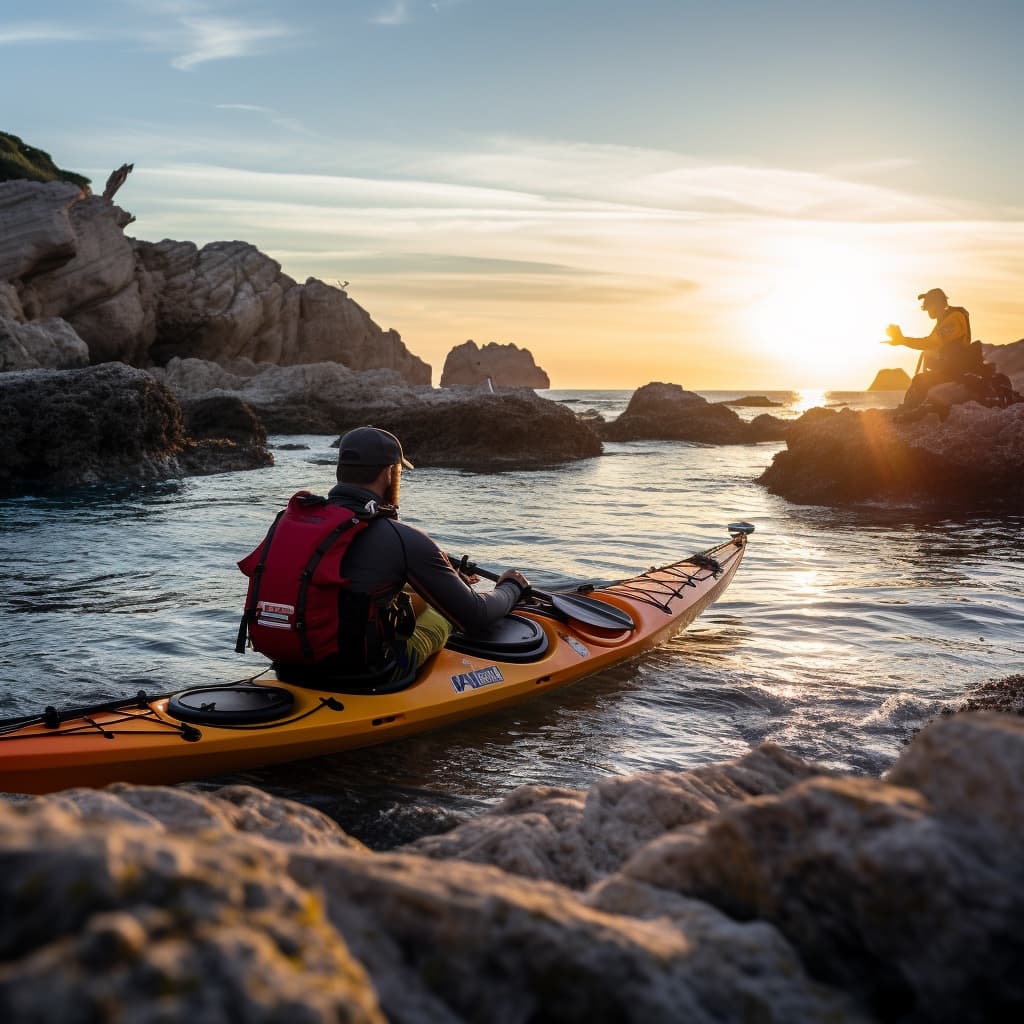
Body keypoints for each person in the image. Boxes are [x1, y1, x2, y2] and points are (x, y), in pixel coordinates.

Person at [237, 426, 530, 688]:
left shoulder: (290, 519)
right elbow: (475, 617)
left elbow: (349, 581)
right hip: (367, 675)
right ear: (389, 473)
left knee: (408, 596)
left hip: (288, 667)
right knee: (440, 613)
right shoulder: (401, 537)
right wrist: (511, 587)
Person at [885, 288, 980, 407]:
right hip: (949, 368)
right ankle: (910, 409)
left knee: (919, 381)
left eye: (929, 305)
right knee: (920, 379)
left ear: (939, 303)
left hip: (956, 370)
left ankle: (910, 410)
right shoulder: (944, 320)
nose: (927, 309)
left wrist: (902, 340)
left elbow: (930, 343)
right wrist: (901, 340)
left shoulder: (954, 318)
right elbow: (930, 343)